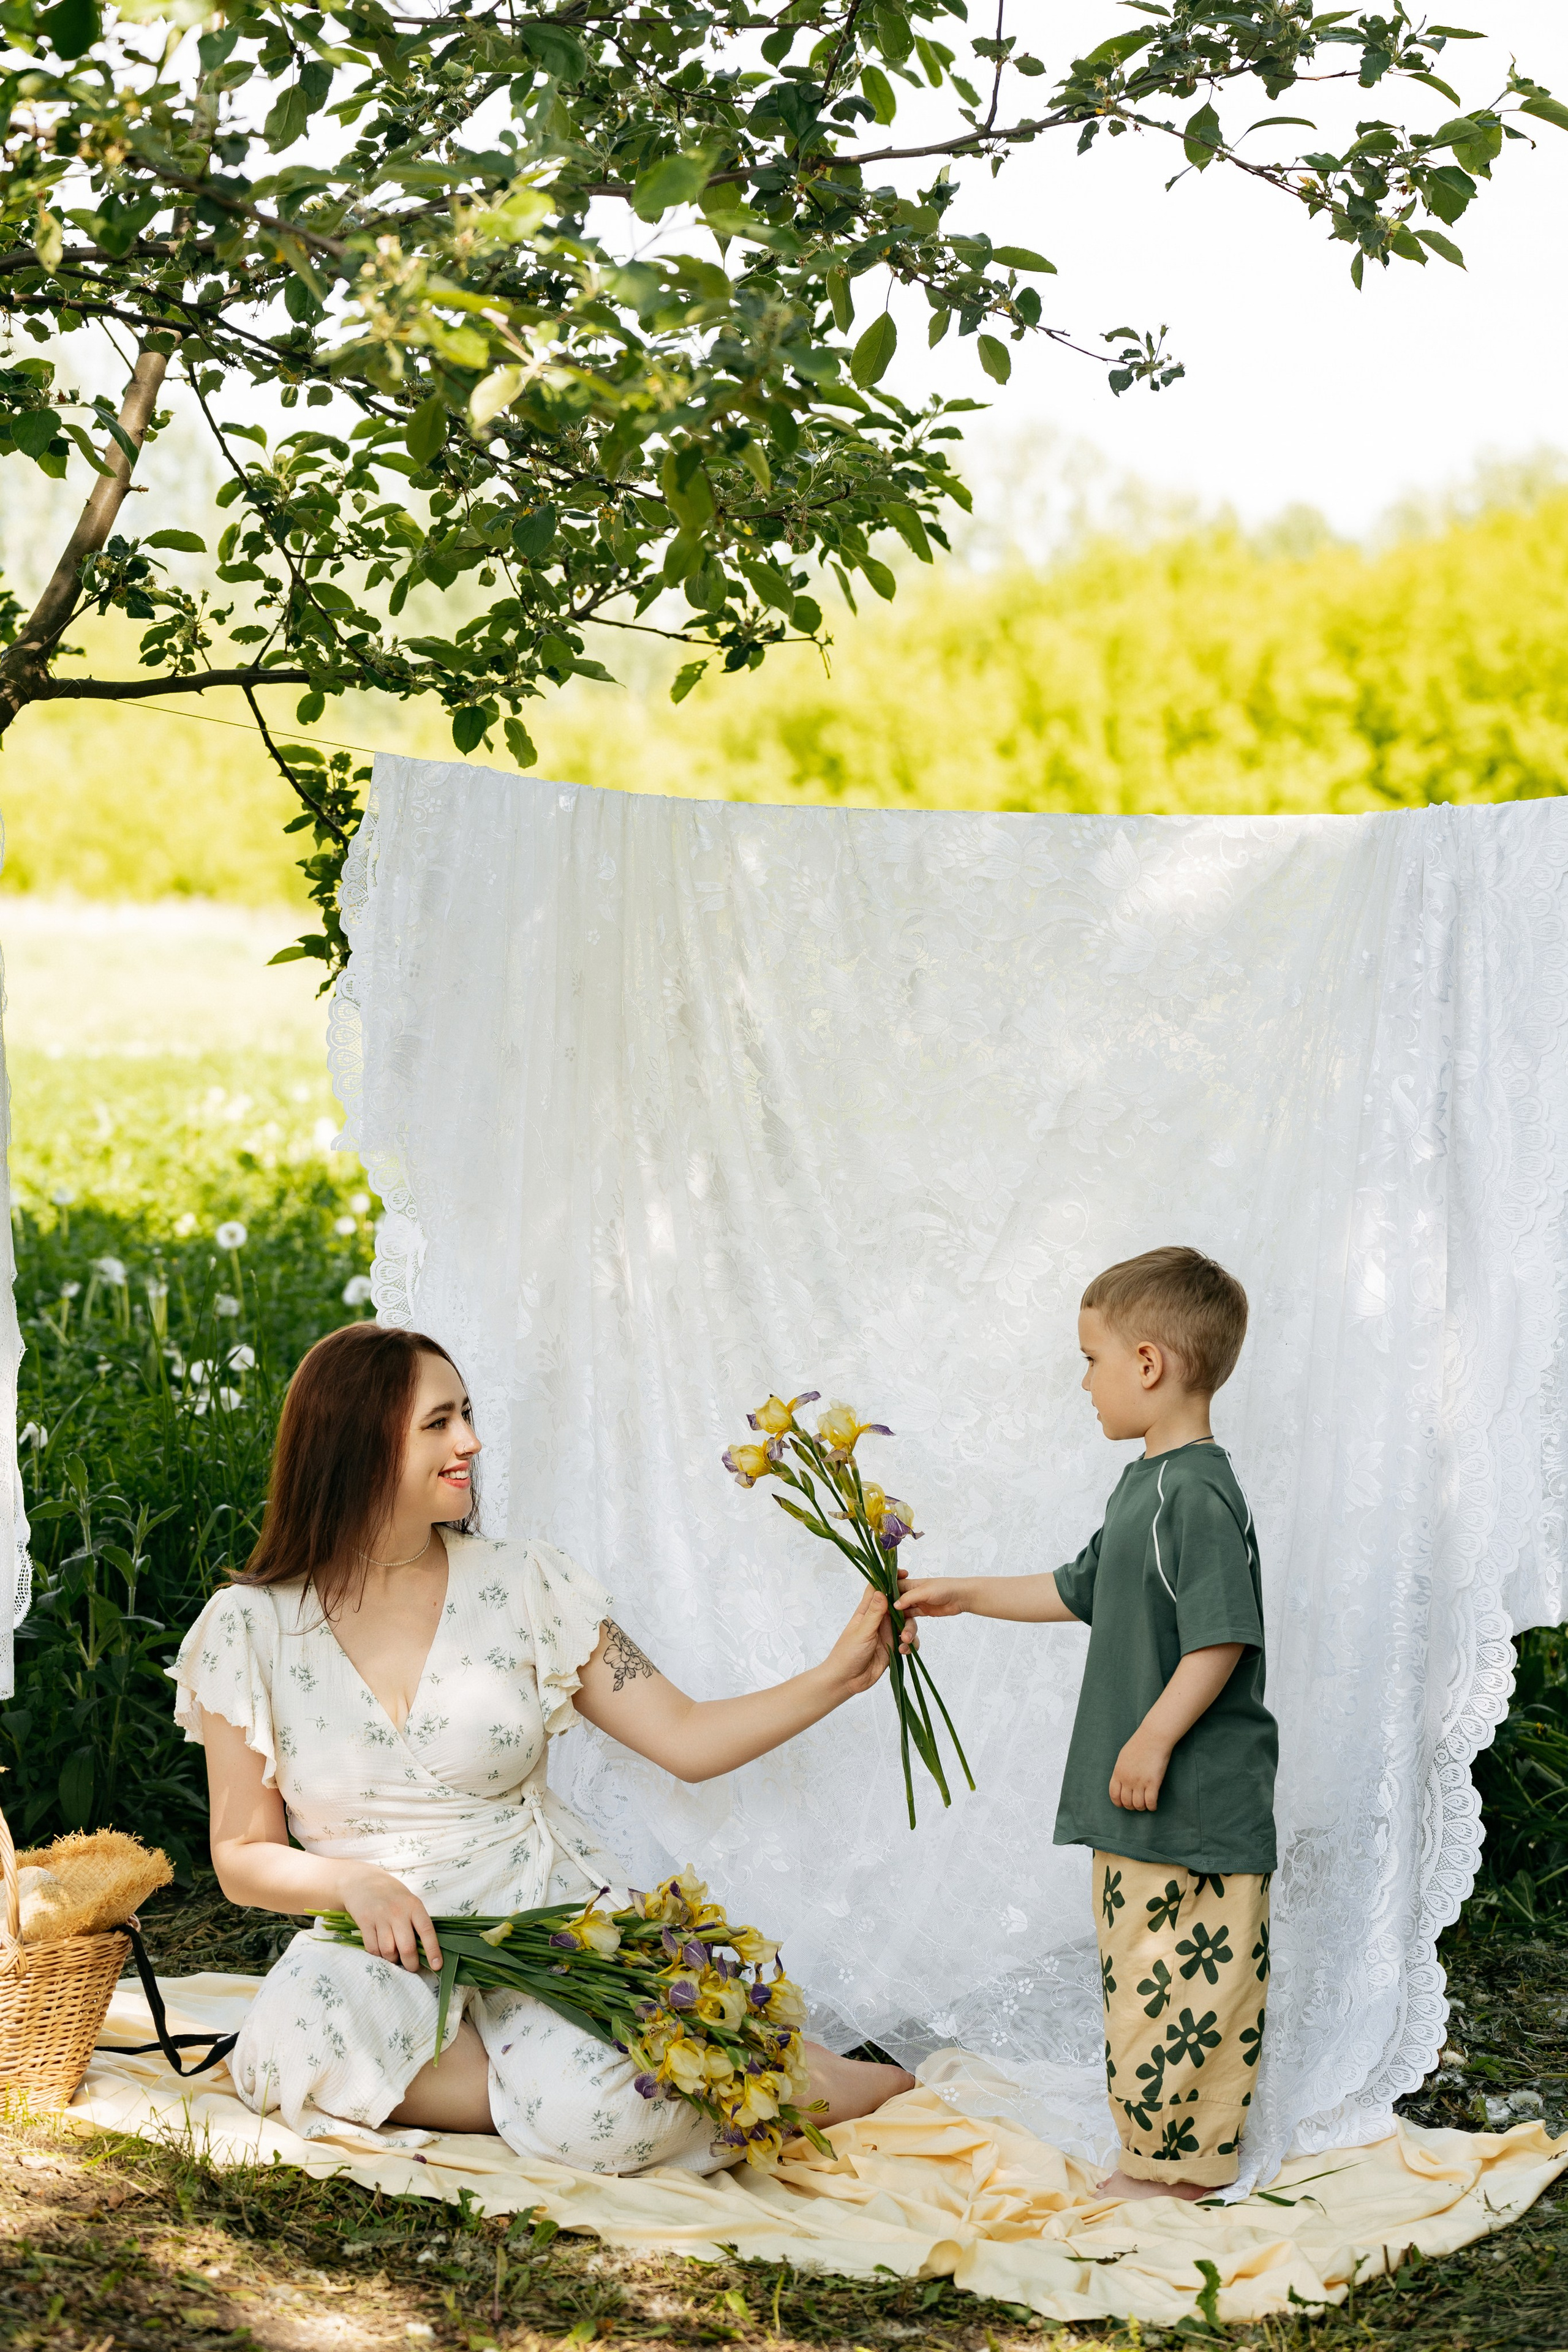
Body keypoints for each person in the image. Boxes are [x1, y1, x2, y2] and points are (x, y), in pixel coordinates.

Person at [169, 1321, 914, 2171]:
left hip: (551, 1927)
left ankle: (848, 2083)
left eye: (467, 1415)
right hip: (386, 1944)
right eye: (439, 1423)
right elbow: (240, 1855)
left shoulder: (528, 1582)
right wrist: (353, 1883)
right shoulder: (248, 1628)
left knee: (614, 2112)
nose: (471, 1443)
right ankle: (556, 2095)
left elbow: (685, 1736)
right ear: (359, 1444)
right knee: (292, 2041)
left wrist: (837, 1676)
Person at [899, 1246, 1276, 2202]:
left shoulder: (1194, 1491)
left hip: (1193, 1803)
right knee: (1141, 1988)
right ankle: (1150, 2156)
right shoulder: (1143, 1487)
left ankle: (1179, 2176)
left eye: (1091, 1358)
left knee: (1196, 1984)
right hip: (1138, 1801)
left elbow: (1221, 1639)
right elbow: (1080, 1589)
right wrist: (964, 1592)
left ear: (1147, 1364)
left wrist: (1150, 1738)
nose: (1084, 1381)